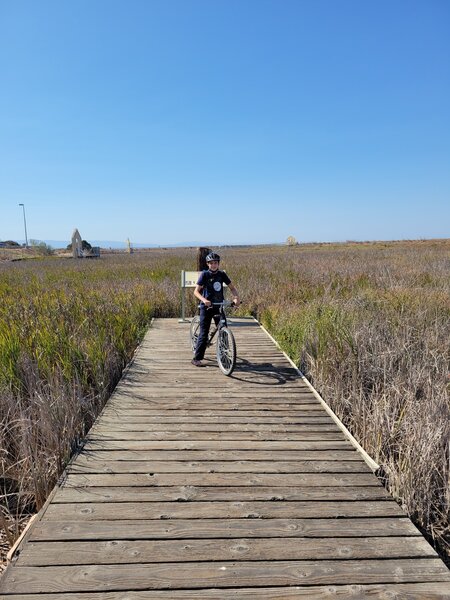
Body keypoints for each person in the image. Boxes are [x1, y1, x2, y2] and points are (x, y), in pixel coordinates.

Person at [191, 252, 240, 367]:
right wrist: (204, 300)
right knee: (204, 333)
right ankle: (196, 358)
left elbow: (232, 288)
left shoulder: (222, 274)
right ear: (208, 264)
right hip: (207, 307)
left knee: (224, 331)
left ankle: (225, 356)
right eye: (211, 263)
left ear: (218, 264)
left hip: (219, 305)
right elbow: (196, 292)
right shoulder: (204, 275)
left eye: (216, 263)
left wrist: (236, 298)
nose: (214, 265)